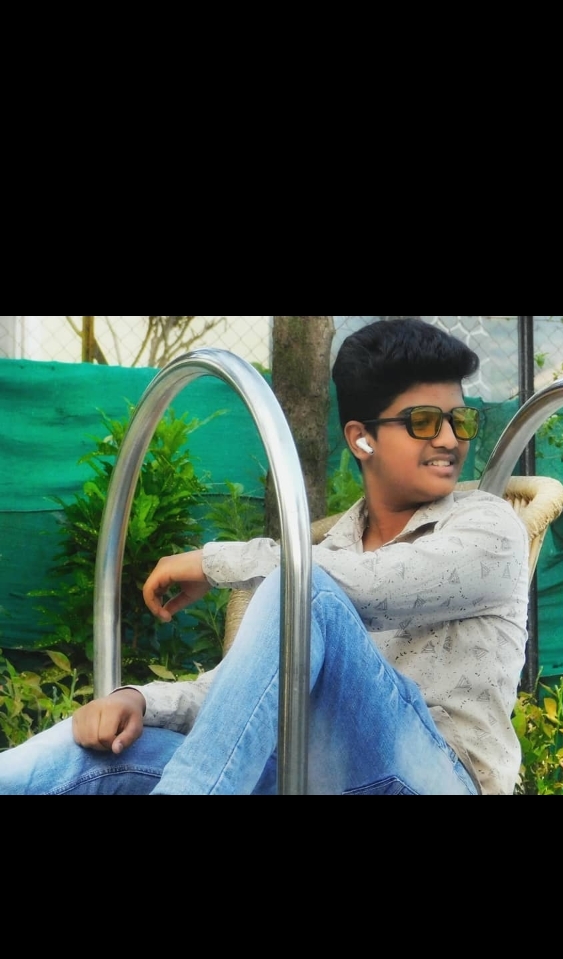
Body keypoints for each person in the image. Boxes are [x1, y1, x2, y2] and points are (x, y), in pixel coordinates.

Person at [0, 319, 529, 796]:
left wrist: (216, 564)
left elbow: (375, 583)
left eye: (460, 421)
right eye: (424, 421)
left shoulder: (488, 526)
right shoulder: (330, 552)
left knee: (301, 590)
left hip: (437, 777)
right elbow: (240, 699)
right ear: (362, 439)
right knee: (97, 756)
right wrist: (140, 700)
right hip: (317, 775)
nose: (449, 439)